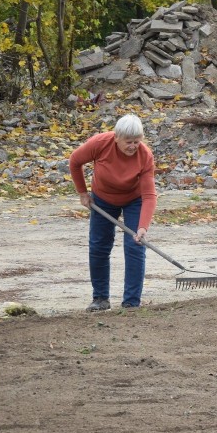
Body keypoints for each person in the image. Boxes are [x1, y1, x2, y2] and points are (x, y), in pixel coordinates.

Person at [69, 113, 158, 311]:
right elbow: (75, 161)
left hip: (134, 200)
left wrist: (143, 227)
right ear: (116, 137)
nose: (133, 146)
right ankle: (100, 298)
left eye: (137, 141)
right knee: (99, 246)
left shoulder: (145, 156)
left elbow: (149, 195)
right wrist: (83, 193)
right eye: (128, 142)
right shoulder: (100, 143)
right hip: (102, 199)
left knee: (135, 245)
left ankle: (131, 302)